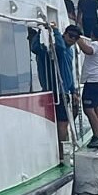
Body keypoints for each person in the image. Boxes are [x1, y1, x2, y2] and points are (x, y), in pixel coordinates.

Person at [30, 23, 81, 155]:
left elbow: (69, 72)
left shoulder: (69, 51)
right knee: (61, 123)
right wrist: (50, 31)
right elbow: (37, 48)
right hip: (56, 92)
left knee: (66, 120)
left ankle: (62, 147)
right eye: (71, 36)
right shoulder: (56, 50)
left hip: (64, 91)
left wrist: (73, 91)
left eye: (76, 38)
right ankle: (61, 153)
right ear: (65, 34)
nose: (73, 39)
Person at [77, 25, 98, 148]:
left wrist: (78, 39)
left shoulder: (96, 44)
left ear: (92, 34)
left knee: (88, 109)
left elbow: (88, 51)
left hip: (93, 82)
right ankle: (97, 136)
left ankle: (96, 137)